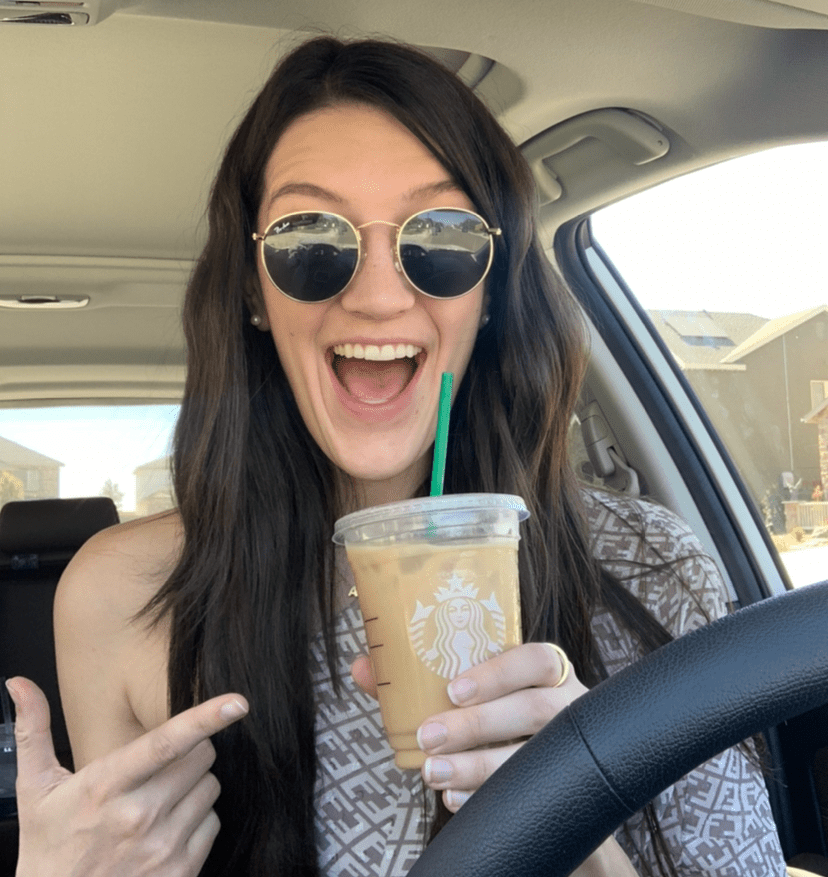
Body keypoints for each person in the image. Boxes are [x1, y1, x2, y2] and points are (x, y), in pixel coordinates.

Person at [6, 36, 786, 877]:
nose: (378, 295)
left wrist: (574, 800)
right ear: (251, 290)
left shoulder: (650, 567)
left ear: (488, 292)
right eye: (311, 236)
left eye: (441, 234)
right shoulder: (123, 600)